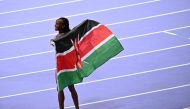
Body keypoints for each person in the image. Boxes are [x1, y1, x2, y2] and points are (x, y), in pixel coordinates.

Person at [51, 17, 80, 109]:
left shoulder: (58, 38)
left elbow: (55, 43)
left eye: (57, 24)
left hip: (62, 69)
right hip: (66, 66)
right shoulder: (68, 35)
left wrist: (53, 41)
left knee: (60, 89)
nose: (55, 25)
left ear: (63, 26)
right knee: (71, 89)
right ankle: (77, 108)